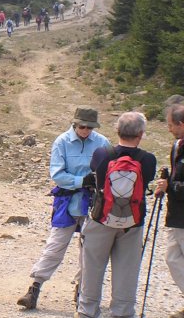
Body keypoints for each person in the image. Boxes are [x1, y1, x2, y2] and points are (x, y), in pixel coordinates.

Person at [17, 107, 109, 310]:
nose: (85, 130)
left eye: (90, 127)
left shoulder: (102, 143)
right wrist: (80, 180)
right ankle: (34, 288)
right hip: (67, 203)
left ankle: (82, 291)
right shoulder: (61, 142)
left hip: (93, 203)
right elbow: (57, 174)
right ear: (74, 124)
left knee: (90, 250)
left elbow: (109, 172)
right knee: (55, 246)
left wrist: (95, 182)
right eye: (82, 126)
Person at [76, 112, 157, 318]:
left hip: (101, 218)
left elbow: (95, 174)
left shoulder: (102, 154)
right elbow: (147, 179)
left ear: (117, 130)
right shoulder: (148, 159)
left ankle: (87, 311)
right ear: (140, 134)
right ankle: (122, 312)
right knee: (126, 271)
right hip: (132, 222)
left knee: (93, 267)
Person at [154, 101, 184, 318]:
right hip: (175, 214)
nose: (169, 128)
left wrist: (170, 186)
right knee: (172, 258)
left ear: (181, 124)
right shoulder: (176, 146)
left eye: (171, 125)